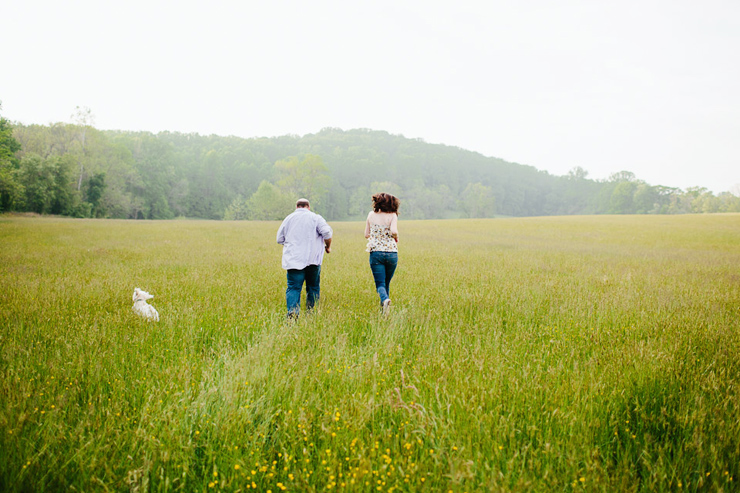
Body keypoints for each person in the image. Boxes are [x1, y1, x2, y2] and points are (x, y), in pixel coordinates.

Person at [277, 198, 333, 319]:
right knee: (313, 287)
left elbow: (279, 239)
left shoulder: (288, 218)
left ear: (296, 207)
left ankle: (293, 313)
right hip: (313, 259)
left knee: (293, 287)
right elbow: (327, 233)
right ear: (308, 207)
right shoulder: (316, 217)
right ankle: (311, 314)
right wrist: (327, 247)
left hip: (293, 260)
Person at [364, 192, 400, 314]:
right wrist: (396, 236)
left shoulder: (371, 215)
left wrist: (376, 234)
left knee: (380, 283)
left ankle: (384, 300)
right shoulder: (393, 215)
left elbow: (366, 234)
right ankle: (384, 308)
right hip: (392, 253)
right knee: (386, 282)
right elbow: (394, 231)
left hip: (376, 253)